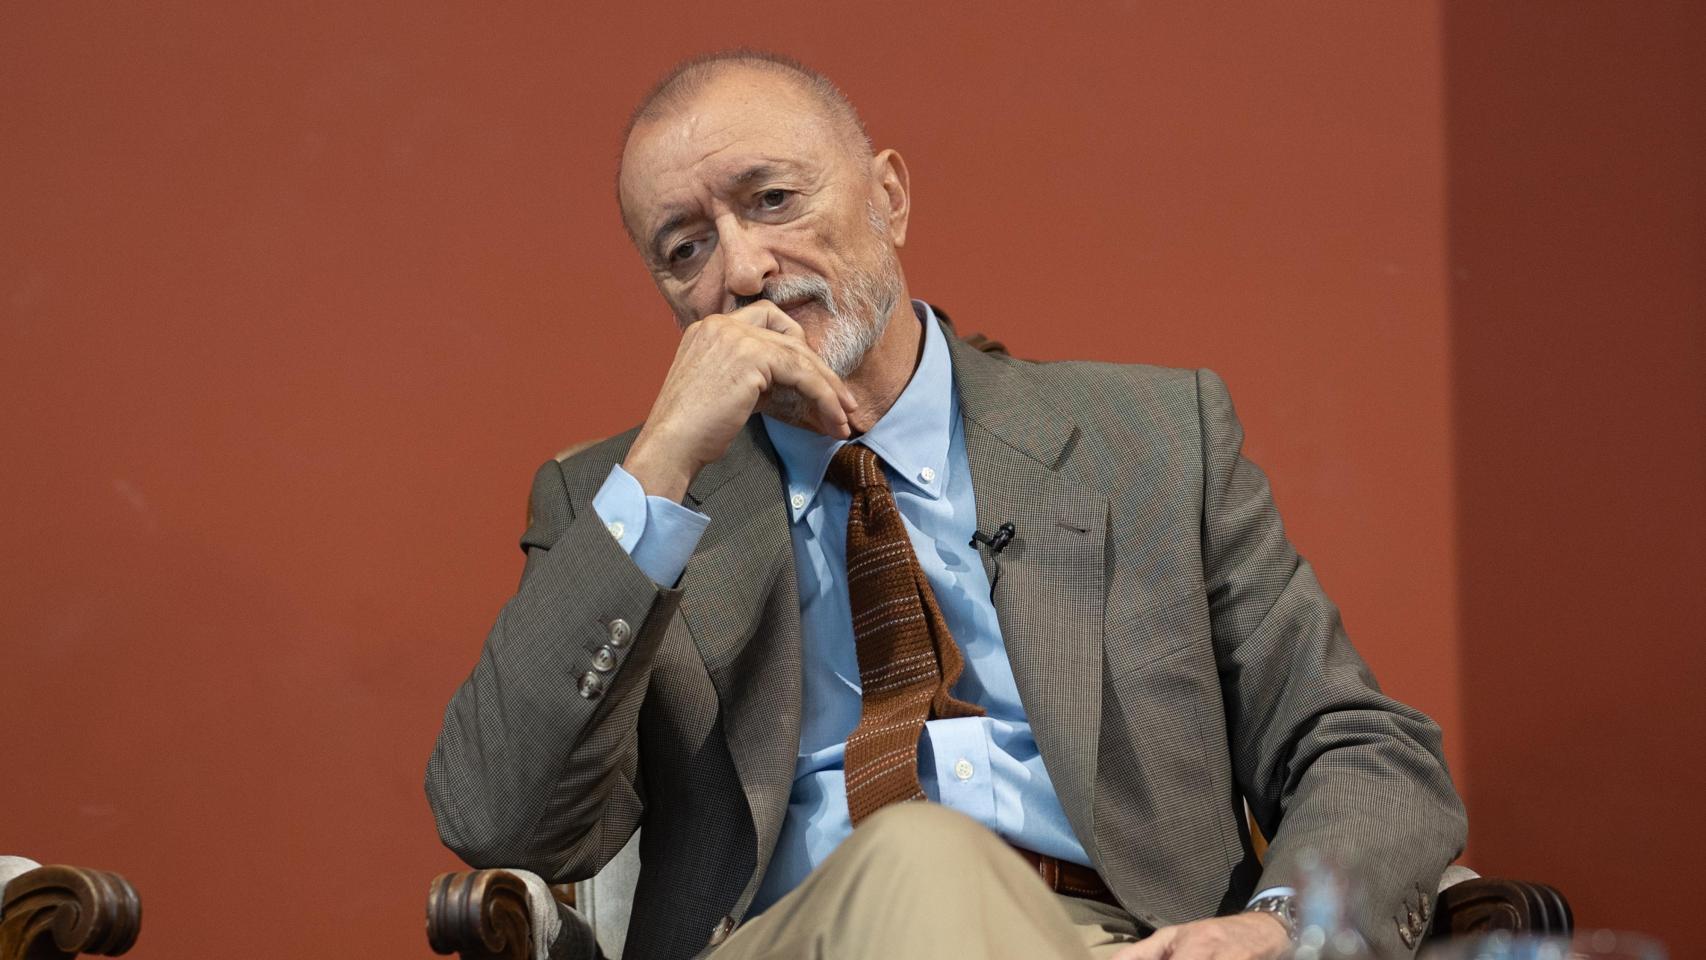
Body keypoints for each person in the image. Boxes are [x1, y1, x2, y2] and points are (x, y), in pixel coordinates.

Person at [426, 50, 1466, 960]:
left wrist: (1276, 924)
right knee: (917, 856)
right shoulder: (623, 501)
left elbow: (1361, 747)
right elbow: (497, 818)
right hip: (790, 941)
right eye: (684, 248)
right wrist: (660, 465)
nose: (741, 270)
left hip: (1120, 942)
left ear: (889, 198)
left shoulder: (1150, 442)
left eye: (772, 201)